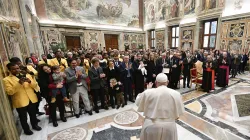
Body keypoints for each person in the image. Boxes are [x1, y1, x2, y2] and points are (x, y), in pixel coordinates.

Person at [136, 73, 184, 140]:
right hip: (169, 127)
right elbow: (180, 111)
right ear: (167, 82)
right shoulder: (176, 94)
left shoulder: (148, 92)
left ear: (155, 83)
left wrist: (147, 89)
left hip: (151, 126)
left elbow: (138, 102)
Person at [3, 63, 42, 135]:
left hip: (31, 98)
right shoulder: (6, 80)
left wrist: (30, 82)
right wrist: (19, 83)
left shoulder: (27, 75)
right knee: (23, 118)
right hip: (20, 101)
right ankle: (26, 130)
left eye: (17, 68)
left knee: (33, 114)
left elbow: (35, 85)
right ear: (9, 70)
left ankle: (35, 125)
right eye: (13, 69)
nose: (16, 70)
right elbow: (10, 92)